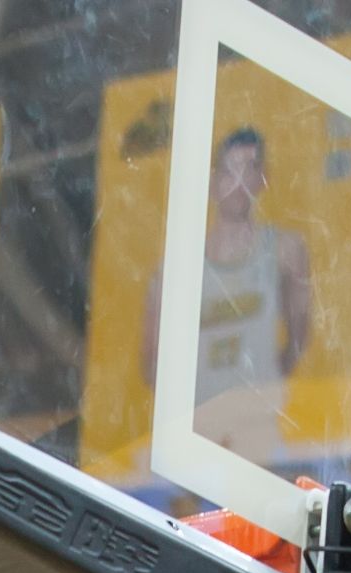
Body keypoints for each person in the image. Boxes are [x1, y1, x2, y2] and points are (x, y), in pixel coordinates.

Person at [146, 126, 313, 467]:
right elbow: (151, 359)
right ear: (213, 181)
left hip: (258, 429)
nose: (238, 182)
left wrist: (266, 384)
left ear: (263, 178)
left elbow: (300, 330)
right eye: (229, 171)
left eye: (249, 169)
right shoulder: (177, 268)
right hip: (196, 433)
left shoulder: (285, 250)